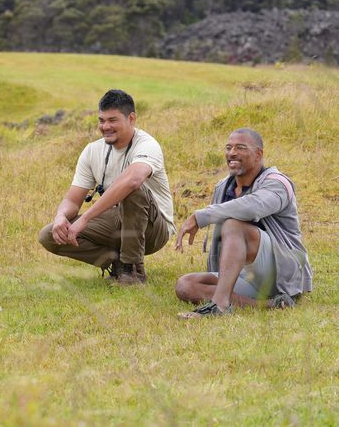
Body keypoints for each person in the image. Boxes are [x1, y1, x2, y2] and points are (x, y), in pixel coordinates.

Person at [38, 89, 174, 285]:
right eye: (102, 120)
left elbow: (133, 181)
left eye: (113, 120)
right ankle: (118, 263)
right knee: (49, 235)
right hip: (117, 220)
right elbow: (72, 199)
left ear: (132, 118)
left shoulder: (147, 145)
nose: (106, 126)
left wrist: (85, 218)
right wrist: (61, 216)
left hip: (154, 229)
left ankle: (132, 271)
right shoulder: (92, 150)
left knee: (132, 189)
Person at [174, 128, 312, 318]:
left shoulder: (278, 183)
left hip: (279, 271)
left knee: (233, 225)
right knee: (185, 285)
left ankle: (219, 305)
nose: (232, 153)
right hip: (244, 276)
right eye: (228, 147)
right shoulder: (223, 187)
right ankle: (269, 305)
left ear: (258, 154)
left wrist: (201, 216)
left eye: (240, 148)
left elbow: (252, 207)